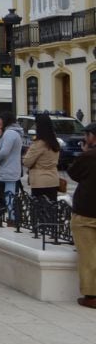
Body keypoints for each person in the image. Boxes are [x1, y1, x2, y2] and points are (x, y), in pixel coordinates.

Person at [69, 122, 96, 308]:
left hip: (86, 211)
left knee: (88, 256)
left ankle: (91, 295)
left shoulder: (89, 156)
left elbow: (73, 173)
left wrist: (85, 151)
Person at [0, 112, 24, 225]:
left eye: (0, 120)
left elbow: (4, 152)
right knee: (8, 194)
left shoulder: (10, 133)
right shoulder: (13, 133)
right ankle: (12, 217)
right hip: (10, 169)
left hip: (8, 169)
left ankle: (12, 217)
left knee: (8, 195)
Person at [23, 112, 61, 200]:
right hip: (53, 180)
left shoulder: (39, 144)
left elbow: (27, 162)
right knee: (51, 210)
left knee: (40, 211)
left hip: (40, 182)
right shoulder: (54, 142)